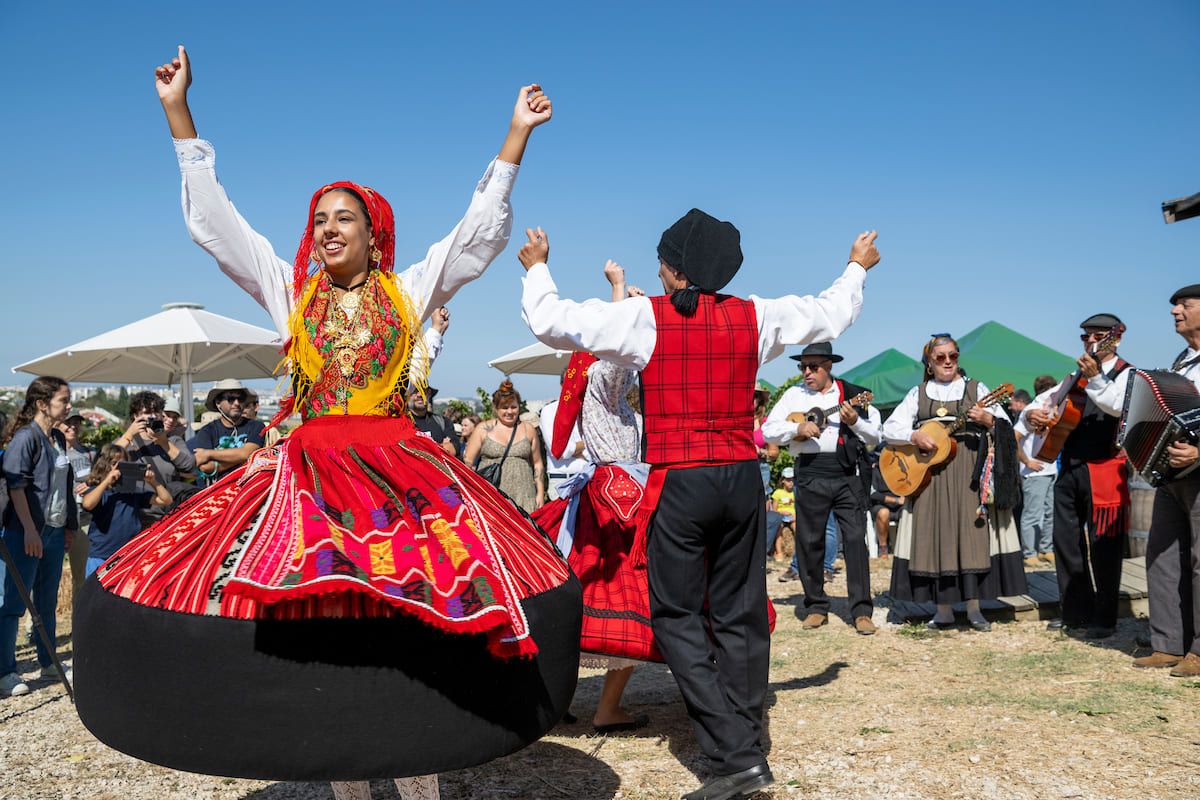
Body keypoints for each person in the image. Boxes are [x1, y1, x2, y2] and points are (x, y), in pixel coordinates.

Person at [74, 46, 574, 799]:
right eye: (320, 220)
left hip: (399, 479)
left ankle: (422, 777)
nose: (329, 228)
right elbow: (223, 232)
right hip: (314, 482)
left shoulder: (408, 292)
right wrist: (179, 117)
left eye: (344, 219)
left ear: (375, 235)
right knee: (329, 626)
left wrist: (515, 137)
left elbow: (474, 237)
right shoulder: (292, 296)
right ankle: (347, 774)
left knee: (414, 620)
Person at [520, 208, 880, 800]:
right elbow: (830, 311)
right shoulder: (754, 314)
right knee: (739, 612)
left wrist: (537, 269)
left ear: (671, 268)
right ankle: (749, 738)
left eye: (661, 261)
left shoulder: (645, 317)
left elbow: (553, 322)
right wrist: (856, 268)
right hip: (741, 479)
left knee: (678, 616)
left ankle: (736, 754)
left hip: (682, 482)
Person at [530, 261, 653, 733]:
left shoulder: (583, 386)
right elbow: (617, 350)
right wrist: (622, 294)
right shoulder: (604, 378)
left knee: (578, 600)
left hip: (599, 494)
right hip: (618, 497)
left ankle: (562, 700)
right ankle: (605, 708)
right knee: (629, 600)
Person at [1075, 288, 1200, 673]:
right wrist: (1097, 381)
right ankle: (1168, 644)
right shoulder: (1182, 362)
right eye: (1174, 306)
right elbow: (1128, 407)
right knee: (1161, 556)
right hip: (1170, 473)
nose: (1175, 311)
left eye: (1185, 305)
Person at [881, 334, 1026, 633]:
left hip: (968, 474)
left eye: (953, 356)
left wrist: (988, 419)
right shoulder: (917, 393)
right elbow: (890, 427)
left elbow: (1006, 426)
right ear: (929, 363)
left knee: (971, 537)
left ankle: (975, 610)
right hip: (930, 477)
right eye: (940, 358)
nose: (948, 362)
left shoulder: (977, 388)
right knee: (934, 538)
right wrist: (914, 436)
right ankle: (943, 611)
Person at [762, 341, 882, 635]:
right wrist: (797, 429)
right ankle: (816, 606)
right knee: (810, 541)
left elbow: (876, 435)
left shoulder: (852, 394)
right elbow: (768, 430)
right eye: (802, 366)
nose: (806, 372)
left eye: (813, 366)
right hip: (810, 473)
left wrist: (855, 423)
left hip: (846, 473)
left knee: (855, 540)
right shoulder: (793, 395)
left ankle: (862, 611)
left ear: (828, 366)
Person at [1025, 314, 1132, 639]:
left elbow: (1116, 408)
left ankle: (1105, 616)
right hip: (1069, 467)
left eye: (1098, 336)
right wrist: (1032, 415)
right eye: (1086, 336)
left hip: (1104, 468)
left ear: (1115, 339)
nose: (1090, 341)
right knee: (1066, 542)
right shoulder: (1073, 377)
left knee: (1104, 546)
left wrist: (1096, 377)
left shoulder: (1129, 374)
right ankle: (1075, 611)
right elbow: (1042, 404)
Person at [1, 377, 77, 698]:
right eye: (64, 400)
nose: (69, 406)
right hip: (26, 533)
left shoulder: (57, 436)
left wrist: (68, 526)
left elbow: (65, 486)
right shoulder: (25, 437)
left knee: (46, 601)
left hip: (55, 532)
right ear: (42, 404)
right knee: (13, 604)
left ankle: (47, 662)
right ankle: (6, 671)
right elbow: (15, 485)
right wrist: (30, 528)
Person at [80, 445, 173, 577]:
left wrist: (153, 482)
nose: (118, 469)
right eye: (114, 464)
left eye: (123, 464)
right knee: (95, 595)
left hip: (127, 555)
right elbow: (88, 503)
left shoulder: (132, 494)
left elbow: (166, 500)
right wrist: (106, 481)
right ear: (104, 465)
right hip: (101, 555)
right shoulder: (99, 492)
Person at [113, 390, 196, 525]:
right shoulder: (126, 442)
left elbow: (189, 465)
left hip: (168, 517)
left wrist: (163, 441)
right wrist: (129, 434)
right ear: (135, 416)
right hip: (134, 518)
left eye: (156, 412)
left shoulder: (173, 441)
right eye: (147, 413)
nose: (152, 416)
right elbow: (105, 462)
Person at [465, 381, 545, 513]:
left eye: (513, 407)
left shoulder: (528, 429)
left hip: (524, 497)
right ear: (496, 408)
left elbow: (537, 463)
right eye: (504, 407)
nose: (509, 412)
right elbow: (467, 462)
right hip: (492, 498)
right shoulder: (482, 429)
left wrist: (540, 493)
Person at [1013, 375, 1060, 568]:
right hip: (1034, 473)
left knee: (1051, 512)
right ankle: (1029, 553)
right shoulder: (1032, 413)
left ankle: (1046, 549)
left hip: (1050, 469)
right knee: (1032, 515)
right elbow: (1012, 438)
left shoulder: (1046, 412)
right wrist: (1026, 462)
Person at [187, 380, 265, 486]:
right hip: (218, 492)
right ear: (218, 403)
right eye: (231, 399)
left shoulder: (256, 426)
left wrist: (209, 454)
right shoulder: (207, 431)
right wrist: (242, 458)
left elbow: (247, 453)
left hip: (248, 490)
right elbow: (206, 467)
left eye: (240, 399)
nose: (236, 403)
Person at [59, 414, 95, 605]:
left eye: (76, 423)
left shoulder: (90, 454)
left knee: (81, 576)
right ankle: (34, 628)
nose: (73, 427)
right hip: (58, 522)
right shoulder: (53, 452)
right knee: (46, 578)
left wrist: (92, 486)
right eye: (68, 423)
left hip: (84, 521)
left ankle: (77, 623)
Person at [539, 368, 590, 500]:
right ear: (562, 386)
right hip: (562, 481)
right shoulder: (549, 411)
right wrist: (586, 445)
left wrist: (573, 448)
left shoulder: (588, 411)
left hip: (586, 477)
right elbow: (560, 450)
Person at [408, 383, 459, 458]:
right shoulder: (401, 422)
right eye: (415, 391)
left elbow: (455, 448)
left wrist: (419, 449)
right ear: (407, 395)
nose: (419, 395)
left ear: (428, 394)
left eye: (423, 391)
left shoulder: (443, 422)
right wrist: (440, 446)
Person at [766, 468, 795, 562]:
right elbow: (774, 510)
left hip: (793, 517)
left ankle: (798, 551)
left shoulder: (796, 492)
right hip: (781, 517)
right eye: (788, 480)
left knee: (797, 527)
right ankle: (779, 553)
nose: (791, 482)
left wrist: (795, 516)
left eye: (792, 480)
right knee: (779, 528)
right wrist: (782, 513)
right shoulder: (778, 493)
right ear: (783, 480)